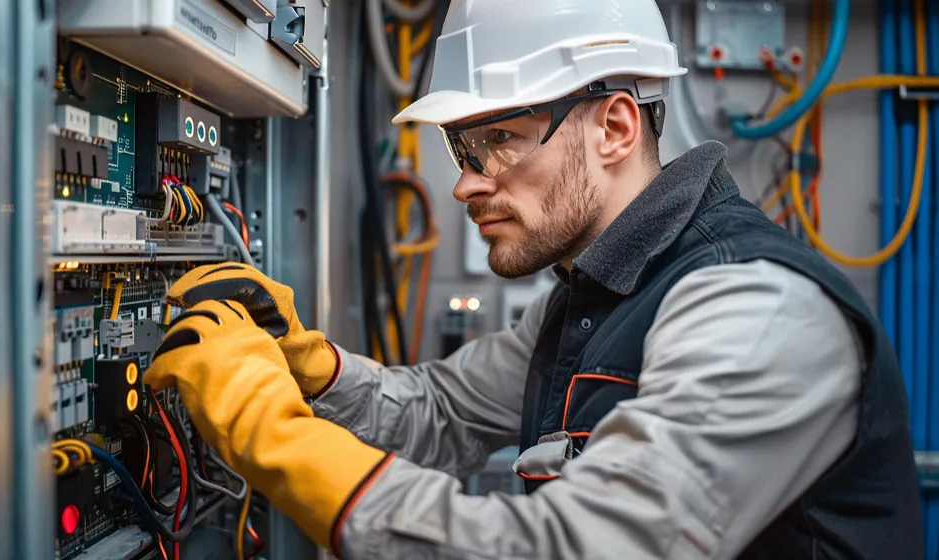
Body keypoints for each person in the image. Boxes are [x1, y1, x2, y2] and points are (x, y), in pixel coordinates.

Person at [143, 1, 924, 558]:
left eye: (499, 141)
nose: (467, 184)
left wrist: (272, 436)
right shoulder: (598, 296)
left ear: (615, 126)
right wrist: (309, 368)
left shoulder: (756, 310)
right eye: (461, 149)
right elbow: (441, 412)